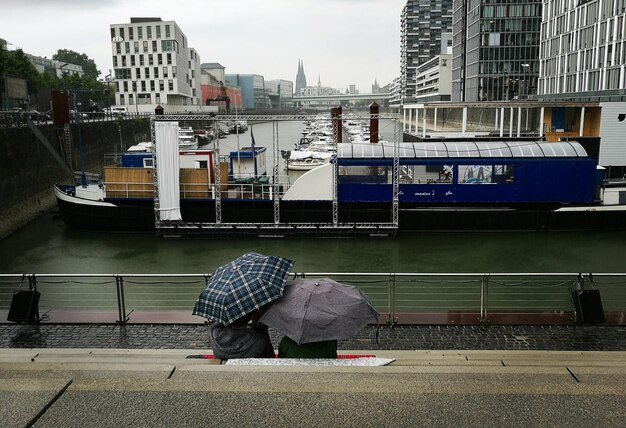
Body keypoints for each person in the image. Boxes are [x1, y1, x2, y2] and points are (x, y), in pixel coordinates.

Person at [210, 310, 274, 360]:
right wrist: (257, 323)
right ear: (250, 317)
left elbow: (215, 325)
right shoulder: (260, 340)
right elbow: (271, 358)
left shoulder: (215, 334)